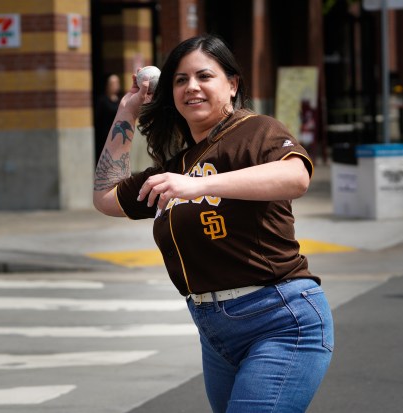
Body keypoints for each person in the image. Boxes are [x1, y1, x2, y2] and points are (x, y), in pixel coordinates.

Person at [93, 35, 333, 413]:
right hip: (214, 332)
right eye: (180, 80)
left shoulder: (257, 131)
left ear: (232, 84)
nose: (192, 87)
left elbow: (296, 178)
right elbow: (106, 197)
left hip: (279, 321)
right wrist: (127, 109)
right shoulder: (178, 166)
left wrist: (198, 186)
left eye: (205, 76)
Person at [94, 73, 122, 164]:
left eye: (117, 83)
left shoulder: (121, 100)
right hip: (105, 136)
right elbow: (97, 119)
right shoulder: (102, 100)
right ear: (107, 85)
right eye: (113, 83)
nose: (116, 85)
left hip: (118, 135)